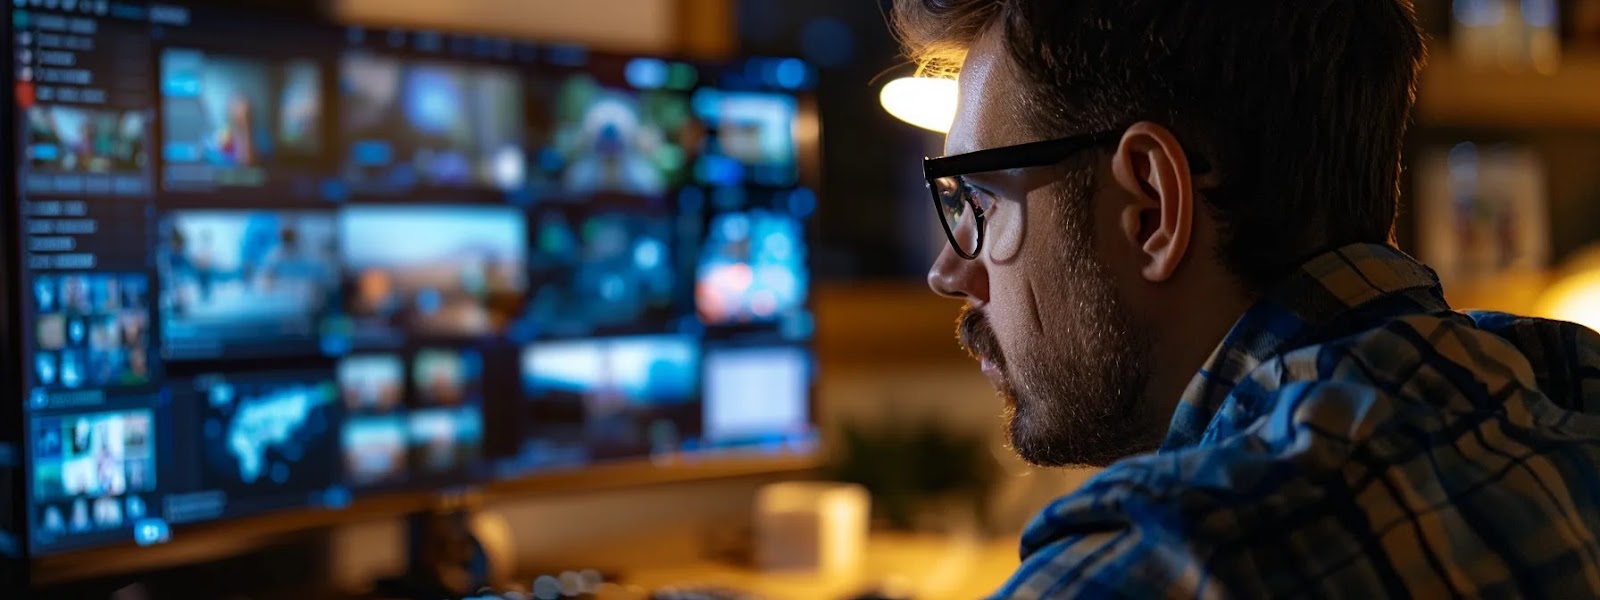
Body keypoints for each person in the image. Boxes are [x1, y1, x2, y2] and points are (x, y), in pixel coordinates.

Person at [895, 0, 1600, 597]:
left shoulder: (1143, 572)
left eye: (982, 202)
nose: (949, 271)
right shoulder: (1567, 385)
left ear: (1150, 209)